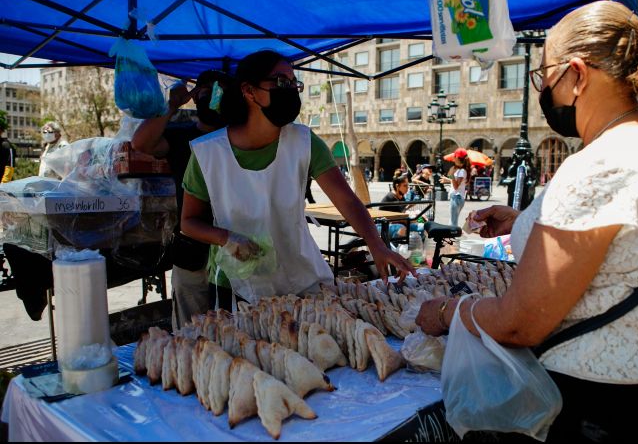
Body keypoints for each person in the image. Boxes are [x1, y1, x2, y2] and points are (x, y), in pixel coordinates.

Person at [417, 1, 638, 442]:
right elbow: (622, 245)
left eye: (543, 76)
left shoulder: (604, 162)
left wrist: (448, 311)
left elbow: (522, 322)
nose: (543, 92)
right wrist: (523, 221)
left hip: (595, 410)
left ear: (576, 74)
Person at [180, 50, 413, 308]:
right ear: (249, 90)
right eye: (281, 82)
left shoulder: (304, 142)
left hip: (301, 279)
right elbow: (188, 222)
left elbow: (347, 201)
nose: (290, 89)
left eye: (294, 83)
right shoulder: (208, 153)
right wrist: (226, 238)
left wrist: (375, 243)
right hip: (239, 285)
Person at [132, 69, 232, 330]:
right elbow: (141, 143)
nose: (211, 99)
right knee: (190, 330)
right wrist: (172, 104)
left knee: (234, 326)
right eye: (205, 92)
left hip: (234, 247)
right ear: (196, 95)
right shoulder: (180, 135)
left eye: (219, 93)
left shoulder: (239, 136)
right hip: (192, 247)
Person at [441, 148, 469, 227]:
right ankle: (452, 236)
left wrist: (451, 175)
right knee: (452, 220)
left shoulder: (462, 171)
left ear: (458, 158)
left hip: (457, 197)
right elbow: (456, 183)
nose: (453, 158)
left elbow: (456, 186)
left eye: (454, 156)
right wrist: (448, 179)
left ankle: (452, 236)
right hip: (457, 197)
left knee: (453, 222)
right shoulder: (460, 170)